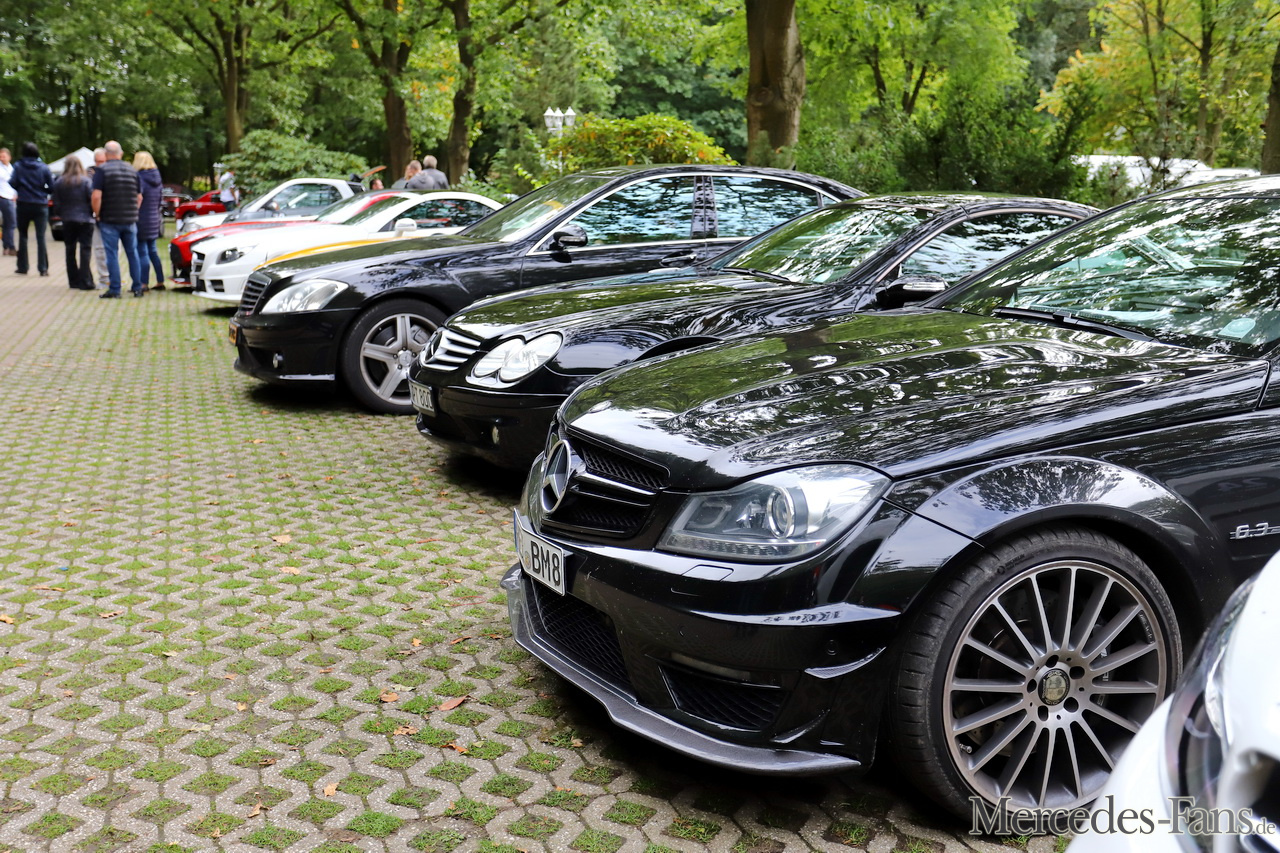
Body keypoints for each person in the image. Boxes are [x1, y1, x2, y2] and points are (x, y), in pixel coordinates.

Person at [91, 140, 143, 299]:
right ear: (120, 153)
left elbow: (96, 196)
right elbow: (139, 197)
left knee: (112, 254)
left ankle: (115, 289)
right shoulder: (132, 170)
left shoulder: (102, 170)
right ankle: (137, 287)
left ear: (106, 154)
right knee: (132, 253)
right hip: (130, 220)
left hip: (109, 219)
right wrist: (134, 212)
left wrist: (97, 214)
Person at [10, 142, 53, 276]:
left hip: (23, 204)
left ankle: (23, 267)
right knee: (41, 237)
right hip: (40, 205)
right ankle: (43, 268)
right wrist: (43, 191)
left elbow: (12, 182)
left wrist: (21, 190)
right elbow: (52, 186)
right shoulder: (44, 167)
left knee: (23, 235)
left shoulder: (18, 166)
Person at [51, 156, 95, 290]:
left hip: (68, 219)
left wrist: (61, 213)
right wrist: (92, 212)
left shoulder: (59, 182)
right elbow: (91, 199)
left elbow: (56, 202)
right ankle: (85, 280)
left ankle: (73, 280)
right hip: (85, 219)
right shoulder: (86, 181)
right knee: (85, 249)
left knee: (70, 249)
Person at [133, 151, 165, 291]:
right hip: (154, 218)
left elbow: (137, 198)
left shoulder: (139, 178)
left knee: (142, 252)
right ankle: (160, 280)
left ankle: (143, 283)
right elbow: (159, 200)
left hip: (142, 218)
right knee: (153, 251)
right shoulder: (157, 177)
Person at [88, 148, 109, 288]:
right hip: (97, 216)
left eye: (102, 161)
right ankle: (104, 278)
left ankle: (110, 278)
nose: (99, 164)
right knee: (99, 249)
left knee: (111, 249)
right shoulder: (90, 174)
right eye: (97, 161)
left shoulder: (110, 173)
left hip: (109, 216)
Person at [0, 148, 15, 256]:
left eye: (3, 156)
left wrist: (16, 194)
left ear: (9, 157)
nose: (1, 158)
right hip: (3, 197)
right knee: (11, 223)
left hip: (11, 198)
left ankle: (6, 247)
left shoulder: (12, 168)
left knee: (7, 224)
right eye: (0, 156)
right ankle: (11, 246)